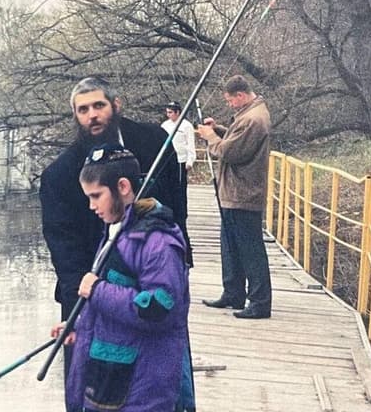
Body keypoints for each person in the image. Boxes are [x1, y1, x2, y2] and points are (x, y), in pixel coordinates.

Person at [39, 77, 187, 409]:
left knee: (162, 382)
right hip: (87, 288)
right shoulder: (59, 175)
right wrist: (82, 312)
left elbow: (178, 203)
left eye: (98, 106)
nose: (92, 115)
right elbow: (64, 249)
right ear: (75, 115)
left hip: (152, 283)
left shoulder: (155, 141)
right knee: (86, 389)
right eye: (83, 110)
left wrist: (180, 255)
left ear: (115, 105)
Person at [196, 74, 272, 320]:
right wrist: (218, 129)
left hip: (244, 193)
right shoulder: (249, 116)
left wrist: (210, 137)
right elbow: (235, 139)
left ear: (241, 95)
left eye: (230, 100)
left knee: (250, 249)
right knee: (231, 247)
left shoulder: (253, 119)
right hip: (233, 193)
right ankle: (233, 292)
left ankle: (259, 302)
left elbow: (231, 151)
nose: (230, 104)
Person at [161, 101, 196, 248]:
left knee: (181, 190)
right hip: (168, 161)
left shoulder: (186, 126)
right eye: (167, 112)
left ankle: (182, 215)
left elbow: (190, 144)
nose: (169, 115)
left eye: (171, 112)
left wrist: (190, 161)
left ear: (178, 112)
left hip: (181, 161)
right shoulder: (164, 125)